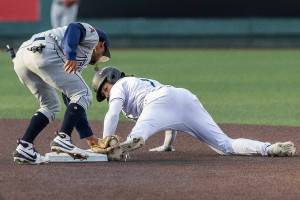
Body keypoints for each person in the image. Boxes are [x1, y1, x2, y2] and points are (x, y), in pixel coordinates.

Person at [91, 67, 296, 160]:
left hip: (158, 101)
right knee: (225, 145)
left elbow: (112, 114)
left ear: (112, 78)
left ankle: (132, 141)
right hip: (182, 97)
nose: (106, 94)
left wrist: (105, 138)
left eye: (104, 89)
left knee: (138, 133)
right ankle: (270, 148)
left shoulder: (120, 85)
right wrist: (168, 144)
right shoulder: (140, 84)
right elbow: (167, 114)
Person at [13, 22, 111, 164]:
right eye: (102, 54)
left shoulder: (79, 57)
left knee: (50, 105)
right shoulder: (94, 36)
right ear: (101, 45)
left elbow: (70, 99)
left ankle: (25, 147)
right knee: (84, 93)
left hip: (22, 57)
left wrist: (88, 136)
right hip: (44, 51)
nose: (98, 60)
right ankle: (63, 138)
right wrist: (71, 55)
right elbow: (74, 27)